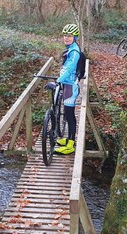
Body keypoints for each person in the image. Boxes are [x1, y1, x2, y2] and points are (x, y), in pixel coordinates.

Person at [54, 24, 81, 155]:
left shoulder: (74, 52)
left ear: (75, 37)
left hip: (71, 86)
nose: (66, 38)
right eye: (65, 35)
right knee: (68, 113)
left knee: (70, 115)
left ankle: (70, 145)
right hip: (67, 84)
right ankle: (69, 139)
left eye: (69, 36)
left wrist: (57, 80)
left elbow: (70, 68)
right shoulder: (71, 49)